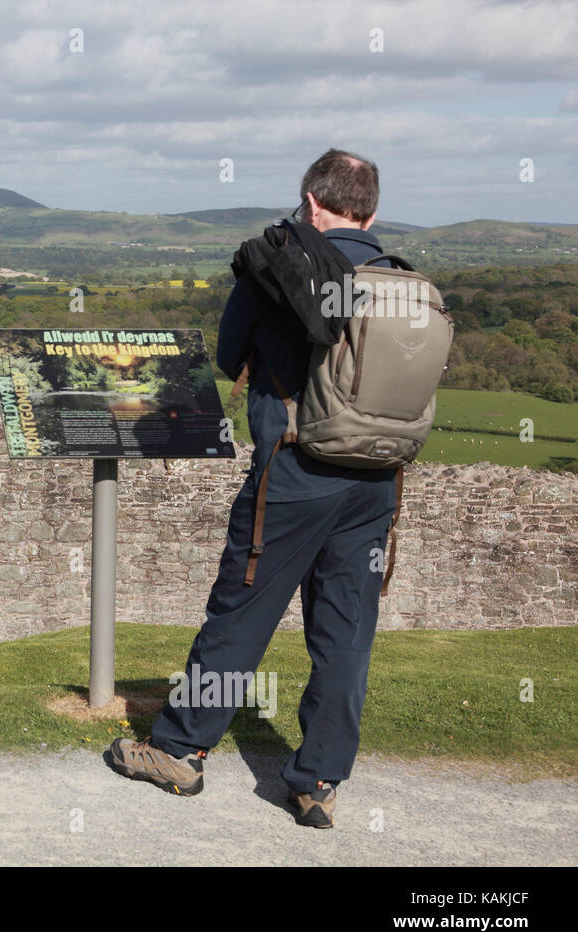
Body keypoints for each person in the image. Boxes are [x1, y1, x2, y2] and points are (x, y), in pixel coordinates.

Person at [108, 149, 400, 829]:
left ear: (309, 201)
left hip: (294, 473)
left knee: (240, 614)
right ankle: (318, 781)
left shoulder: (278, 266)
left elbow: (228, 354)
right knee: (346, 634)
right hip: (378, 484)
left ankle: (179, 750)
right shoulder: (400, 280)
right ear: (373, 211)